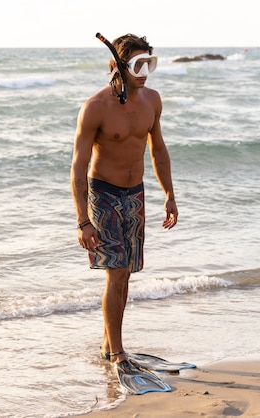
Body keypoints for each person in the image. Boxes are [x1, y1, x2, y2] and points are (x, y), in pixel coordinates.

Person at [70, 34, 178, 375]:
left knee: (126, 274)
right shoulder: (96, 107)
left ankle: (108, 343)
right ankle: (117, 352)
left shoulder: (152, 101)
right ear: (119, 66)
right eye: (137, 65)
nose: (145, 72)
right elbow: (78, 166)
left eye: (150, 63)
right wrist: (82, 221)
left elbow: (158, 151)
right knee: (115, 273)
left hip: (135, 194)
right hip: (103, 194)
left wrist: (170, 195)